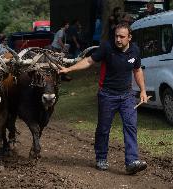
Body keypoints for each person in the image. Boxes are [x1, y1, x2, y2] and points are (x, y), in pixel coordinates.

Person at [59, 23, 148, 174]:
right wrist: (69, 69)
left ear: (129, 38)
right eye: (116, 36)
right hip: (107, 95)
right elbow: (88, 61)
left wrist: (143, 91)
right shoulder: (107, 47)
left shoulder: (135, 50)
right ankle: (101, 157)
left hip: (127, 95)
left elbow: (137, 70)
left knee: (131, 126)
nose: (118, 39)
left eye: (122, 37)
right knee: (103, 129)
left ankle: (131, 161)